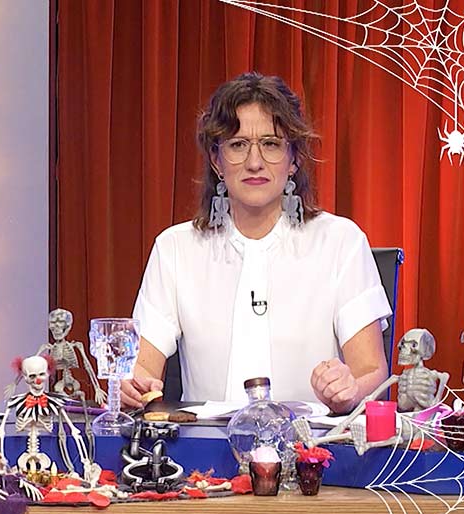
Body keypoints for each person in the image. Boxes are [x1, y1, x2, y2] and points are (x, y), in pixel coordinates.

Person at [121, 72, 391, 415]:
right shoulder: (174, 248)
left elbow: (371, 372)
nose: (254, 162)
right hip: (205, 442)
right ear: (217, 160)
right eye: (237, 145)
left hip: (309, 442)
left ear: (294, 159)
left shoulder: (341, 242)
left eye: (271, 144)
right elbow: (142, 368)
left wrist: (349, 391)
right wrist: (133, 385)